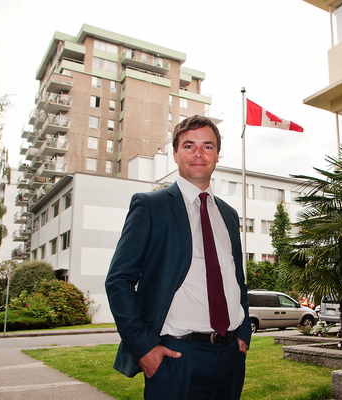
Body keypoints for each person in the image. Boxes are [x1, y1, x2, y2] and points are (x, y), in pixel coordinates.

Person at [105, 115, 251, 400]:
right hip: (176, 358)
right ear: (175, 154)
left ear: (217, 155)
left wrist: (244, 333)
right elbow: (119, 281)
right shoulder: (150, 206)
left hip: (232, 356)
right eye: (189, 146)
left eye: (207, 146)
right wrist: (144, 348)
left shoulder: (230, 216)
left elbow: (236, 280)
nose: (198, 153)